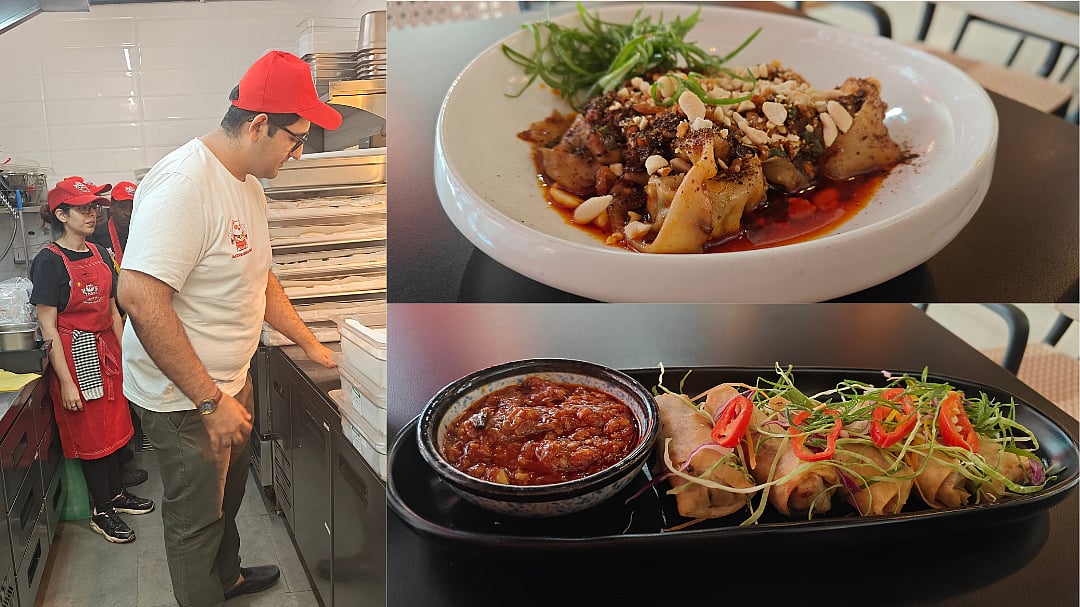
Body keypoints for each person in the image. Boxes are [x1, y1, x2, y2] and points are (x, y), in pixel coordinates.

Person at [116, 50, 341, 607]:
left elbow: (260, 278)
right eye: (296, 138)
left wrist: (311, 343)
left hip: (226, 383)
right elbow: (140, 298)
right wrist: (210, 402)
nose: (298, 151)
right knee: (195, 520)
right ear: (259, 123)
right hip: (184, 397)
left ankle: (229, 579)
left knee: (228, 496)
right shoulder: (186, 185)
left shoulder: (247, 182)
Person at [29, 178, 155, 544]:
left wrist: (125, 355)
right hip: (77, 354)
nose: (93, 214)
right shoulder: (49, 262)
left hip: (108, 351)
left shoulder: (100, 254)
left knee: (116, 429)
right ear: (61, 214)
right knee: (91, 436)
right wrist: (66, 381)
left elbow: (113, 310)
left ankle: (116, 495)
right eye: (83, 208)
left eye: (94, 207)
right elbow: (47, 324)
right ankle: (101, 511)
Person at [89, 179, 149, 489]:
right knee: (117, 394)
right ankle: (122, 458)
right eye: (123, 206)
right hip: (111, 321)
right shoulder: (98, 236)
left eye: (132, 205)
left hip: (138, 313)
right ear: (112, 206)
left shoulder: (144, 228)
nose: (128, 212)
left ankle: (126, 452)